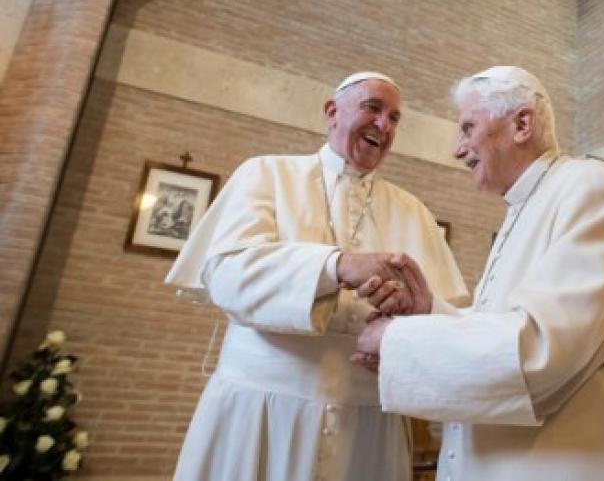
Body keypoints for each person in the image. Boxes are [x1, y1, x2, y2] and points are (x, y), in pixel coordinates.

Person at [353, 66, 604, 481]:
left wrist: (396, 339)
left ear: (522, 124)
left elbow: (543, 350)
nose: (458, 150)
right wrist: (429, 310)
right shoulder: (523, 208)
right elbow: (505, 326)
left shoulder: (591, 187)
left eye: (468, 128)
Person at [165, 71, 468, 481]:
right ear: (331, 111)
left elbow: (445, 318)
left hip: (368, 426)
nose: (384, 125)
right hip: (260, 411)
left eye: (395, 118)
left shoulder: (415, 212)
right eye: (373, 108)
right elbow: (228, 275)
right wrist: (336, 265)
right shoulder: (266, 174)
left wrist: (403, 334)